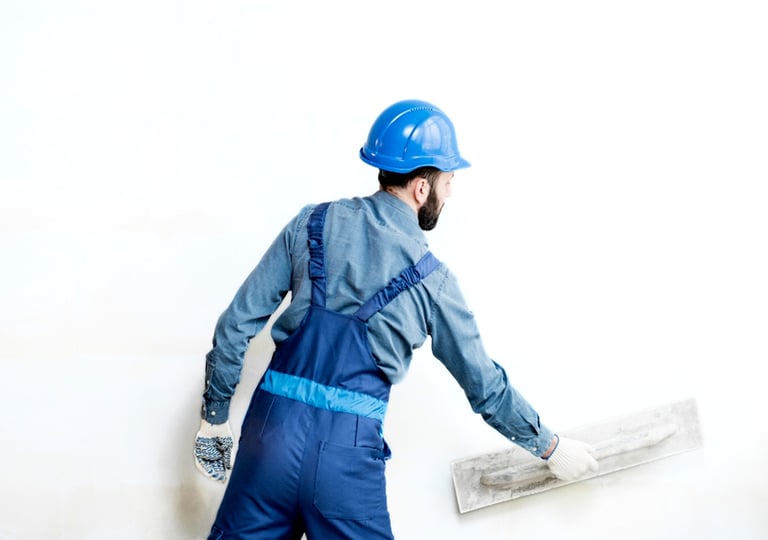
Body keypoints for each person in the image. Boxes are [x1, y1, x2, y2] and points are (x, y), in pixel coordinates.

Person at [193, 99, 598, 539]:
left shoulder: (310, 223)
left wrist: (214, 416)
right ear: (422, 188)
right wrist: (550, 447)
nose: (450, 193)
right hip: (343, 460)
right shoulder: (434, 282)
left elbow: (235, 324)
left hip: (268, 440)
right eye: (448, 181)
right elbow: (485, 387)